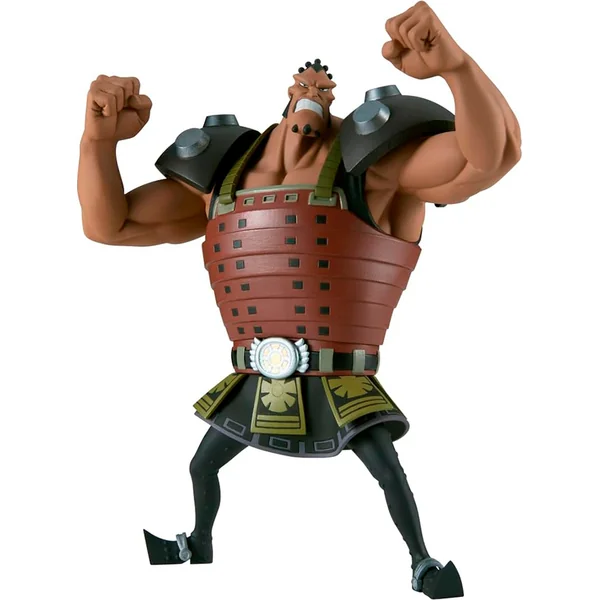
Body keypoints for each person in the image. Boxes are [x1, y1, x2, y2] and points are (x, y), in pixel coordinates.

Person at [77, 3, 521, 597]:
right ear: (286, 99)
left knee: (387, 472)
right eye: (301, 89)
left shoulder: (376, 167)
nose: (310, 98)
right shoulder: (224, 174)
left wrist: (458, 70)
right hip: (256, 375)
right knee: (202, 464)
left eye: (321, 91)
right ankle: (197, 543)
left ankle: (422, 563)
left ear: (335, 102)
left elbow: (490, 155)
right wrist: (96, 144)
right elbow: (109, 225)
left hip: (341, 377)